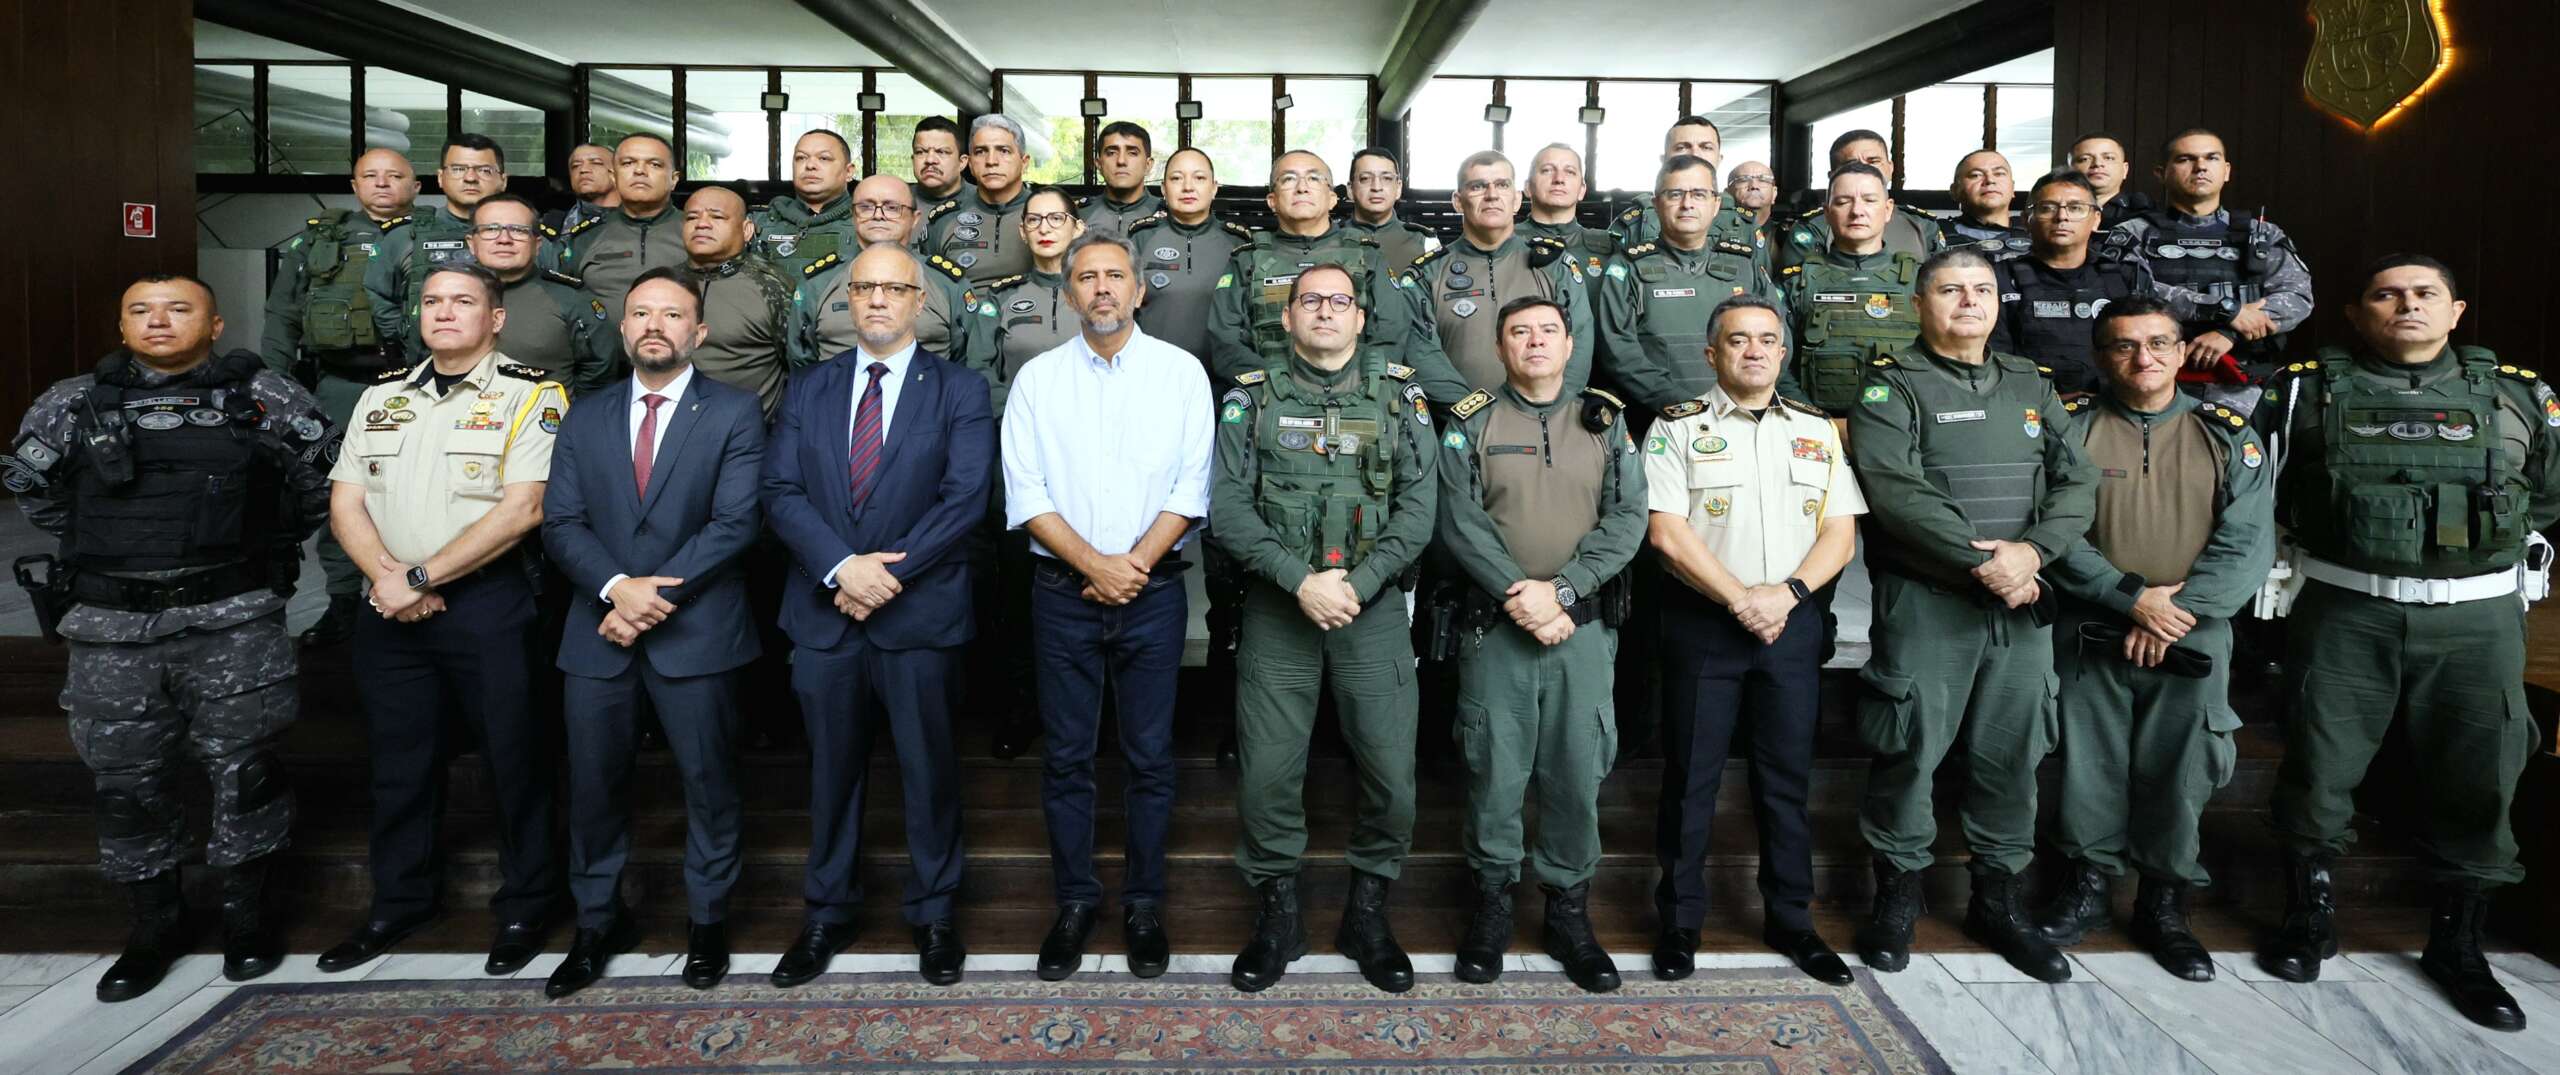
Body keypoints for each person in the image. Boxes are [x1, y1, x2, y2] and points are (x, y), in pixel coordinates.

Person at [7, 274, 334, 1000]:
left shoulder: (266, 397)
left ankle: (247, 919)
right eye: (141, 311)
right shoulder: (71, 403)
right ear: (122, 325)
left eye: (178, 308)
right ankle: (155, 924)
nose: (159, 321)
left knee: (248, 773)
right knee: (125, 784)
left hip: (232, 618)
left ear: (215, 325)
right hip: (112, 630)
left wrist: (252, 539)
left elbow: (320, 485)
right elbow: (37, 493)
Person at [2255, 255, 2560, 1031]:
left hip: (2476, 620)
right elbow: (2264, 493)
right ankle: (2307, 916)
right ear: (2357, 314)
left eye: (2426, 294)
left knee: (2482, 776)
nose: (2407, 305)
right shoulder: (2302, 392)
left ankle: (2458, 944)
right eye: (2386, 295)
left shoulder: (2521, 395)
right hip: (2346, 609)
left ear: (2456, 310)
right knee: (2319, 764)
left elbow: (2546, 499)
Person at [1847, 247, 2097, 983]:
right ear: (1918, 304)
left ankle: (1999, 902)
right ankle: (1897, 896)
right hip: (1930, 603)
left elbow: (2078, 482)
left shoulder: (2029, 383)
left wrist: (2033, 554)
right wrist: (1990, 564)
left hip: (2021, 606)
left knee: (2012, 754)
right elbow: (1898, 493)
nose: (1968, 302)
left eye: (1982, 289)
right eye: (1951, 290)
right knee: (1910, 751)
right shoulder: (1890, 386)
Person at [317, 264, 571, 977]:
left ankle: (527, 903)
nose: (445, 312)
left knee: (515, 760)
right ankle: (401, 901)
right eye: (433, 301)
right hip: (388, 606)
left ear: (496, 319)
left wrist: (421, 578)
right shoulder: (382, 396)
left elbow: (524, 508)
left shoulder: (532, 394)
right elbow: (345, 503)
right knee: (399, 763)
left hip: (488, 604)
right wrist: (390, 581)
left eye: (463, 301)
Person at [762, 244, 994, 988]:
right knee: (830, 773)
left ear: (921, 301)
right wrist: (843, 567)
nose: (878, 300)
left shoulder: (959, 389)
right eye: (864, 288)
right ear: (847, 300)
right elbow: (780, 490)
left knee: (929, 770)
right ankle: (828, 910)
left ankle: (934, 912)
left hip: (919, 614)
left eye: (894, 288)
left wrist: (883, 575)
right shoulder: (810, 387)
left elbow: (965, 498)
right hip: (824, 614)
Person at [538, 268, 766, 998]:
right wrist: (615, 588)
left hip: (697, 633)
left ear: (699, 332)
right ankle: (596, 924)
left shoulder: (734, 412)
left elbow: (735, 523)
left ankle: (707, 924)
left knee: (710, 785)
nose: (654, 325)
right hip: (596, 631)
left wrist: (645, 598)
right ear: (622, 327)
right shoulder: (585, 415)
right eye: (641, 313)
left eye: (672, 314)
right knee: (593, 788)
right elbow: (561, 522)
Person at [2031, 297, 2272, 982]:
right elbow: (2051, 529)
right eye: (2125, 345)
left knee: (2185, 764)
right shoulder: (2070, 428)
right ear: (2101, 355)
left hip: (2194, 633)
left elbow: (2248, 540)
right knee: (2090, 761)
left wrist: (2173, 612)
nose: (2144, 358)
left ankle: (2165, 903)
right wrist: (2130, 599)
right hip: (2092, 626)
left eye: (2159, 343)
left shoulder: (2227, 433)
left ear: (2181, 350)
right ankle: (2087, 886)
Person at [1213, 263, 1437, 995]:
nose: (1325, 312)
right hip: (1280, 611)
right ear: (1287, 317)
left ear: (1361, 319)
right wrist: (1299, 580)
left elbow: (1419, 509)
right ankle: (1278, 917)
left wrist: (1358, 586)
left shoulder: (1400, 396)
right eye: (1309, 300)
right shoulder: (1250, 399)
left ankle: (1367, 916)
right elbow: (1228, 508)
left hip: (1372, 616)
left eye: (1341, 301)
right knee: (1266, 777)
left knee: (1392, 778)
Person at [1003, 232, 1212, 981]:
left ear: (1139, 289)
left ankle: (1144, 905)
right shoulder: (1037, 380)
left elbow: (1192, 486)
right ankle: (1074, 902)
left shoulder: (1181, 374)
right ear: (1068, 294)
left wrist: (1132, 568)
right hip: (1063, 594)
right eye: (1086, 277)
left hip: (1153, 594)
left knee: (1149, 757)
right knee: (1067, 758)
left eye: (1114, 276)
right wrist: (1096, 566)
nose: (1101, 288)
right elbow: (1026, 492)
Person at [1643, 295, 1862, 986]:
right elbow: (1666, 533)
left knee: (1786, 780)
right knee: (1691, 780)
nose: (1755, 350)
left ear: (1783, 352)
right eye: (1738, 340)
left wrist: (1787, 595)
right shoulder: (1676, 427)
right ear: (1712, 354)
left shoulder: (1816, 429)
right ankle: (1680, 921)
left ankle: (1792, 919)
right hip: (1705, 625)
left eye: (1767, 339)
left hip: (1791, 626)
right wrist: (1742, 599)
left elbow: (1841, 532)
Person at [1435, 297, 1644, 994]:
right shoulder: (1471, 422)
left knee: (1577, 771)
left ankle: (1568, 913)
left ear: (1569, 344)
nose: (1534, 342)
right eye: (1519, 332)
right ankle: (1492, 907)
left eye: (1548, 331)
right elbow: (1460, 521)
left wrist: (1565, 591)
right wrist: (1520, 595)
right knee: (1495, 772)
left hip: (1582, 629)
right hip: (1497, 629)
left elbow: (1628, 518)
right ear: (1499, 348)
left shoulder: (1606, 422)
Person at [262, 146, 416, 648]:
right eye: (370, 175)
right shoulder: (319, 240)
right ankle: (344, 600)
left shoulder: (436, 236)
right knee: (341, 491)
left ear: (416, 186)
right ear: (354, 186)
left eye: (394, 175)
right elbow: (283, 314)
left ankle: (417, 587)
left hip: (419, 385)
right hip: (343, 384)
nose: (382, 184)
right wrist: (273, 386)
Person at [1208, 149, 1459, 402]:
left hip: (1357, 399)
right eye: (1289, 179)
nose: (1302, 188)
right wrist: (1278, 383)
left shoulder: (1367, 255)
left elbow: (1390, 333)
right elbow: (1226, 343)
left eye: (1314, 178)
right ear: (1272, 200)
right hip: (1269, 400)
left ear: (1332, 199)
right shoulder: (1247, 259)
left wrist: (1350, 385)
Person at [2103, 129, 2313, 388]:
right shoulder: (2133, 232)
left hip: (2242, 379)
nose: (2200, 167)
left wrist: (2229, 332)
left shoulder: (2261, 234)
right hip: (2153, 377)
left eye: (2211, 158)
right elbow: (2131, 292)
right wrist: (2225, 310)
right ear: (2161, 173)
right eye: (2185, 159)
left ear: (2226, 171)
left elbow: (2297, 297)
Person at [1400, 150, 1593, 396]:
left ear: (1516, 199)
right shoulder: (1426, 274)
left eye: (1502, 185)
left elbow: (1578, 343)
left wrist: (1553, 407)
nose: (1491, 195)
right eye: (1478, 186)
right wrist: (1470, 413)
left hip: (1545, 416)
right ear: (1458, 201)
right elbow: (1421, 352)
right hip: (1454, 417)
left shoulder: (1555, 266)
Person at [1595, 154, 1777, 415]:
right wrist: (1684, 407)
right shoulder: (1626, 268)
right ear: (1656, 204)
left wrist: (1744, 402)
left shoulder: (1745, 267)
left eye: (1699, 194)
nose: (1687, 204)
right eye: (1675, 194)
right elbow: (1619, 352)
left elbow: (1778, 340)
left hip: (1742, 415)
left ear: (1716, 204)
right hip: (1656, 419)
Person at [791, 174, 981, 372]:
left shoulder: (946, 283)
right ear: (853, 216)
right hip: (834, 389)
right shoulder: (819, 282)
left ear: (915, 218)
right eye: (866, 207)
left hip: (930, 390)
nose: (878, 215)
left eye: (892, 207)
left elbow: (969, 361)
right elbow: (801, 363)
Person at [1777, 163, 1925, 415]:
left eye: (1869, 200)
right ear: (1826, 212)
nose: (1857, 211)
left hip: (1910, 424)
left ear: (1888, 209)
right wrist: (1817, 421)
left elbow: (1948, 356)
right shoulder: (1796, 283)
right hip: (1821, 425)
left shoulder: (1923, 281)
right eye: (1843, 201)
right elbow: (1777, 363)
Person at [1989, 171, 2151, 396]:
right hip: (2029, 404)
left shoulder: (2124, 276)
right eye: (2048, 208)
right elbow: (1993, 360)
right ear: (2026, 220)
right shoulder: (1999, 278)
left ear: (2096, 219)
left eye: (2075, 208)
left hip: (2112, 405)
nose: (2062, 217)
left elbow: (2146, 352)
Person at [365, 134, 507, 358]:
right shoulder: (403, 237)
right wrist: (408, 337)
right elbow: (378, 295)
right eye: (458, 169)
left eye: (484, 170)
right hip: (427, 362)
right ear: (441, 177)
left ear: (503, 180)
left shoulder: (525, 238)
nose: (470, 178)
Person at [469, 194, 608, 393]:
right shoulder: (443, 297)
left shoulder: (571, 298)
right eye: (491, 229)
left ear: (538, 244)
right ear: (471, 243)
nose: (504, 239)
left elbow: (598, 374)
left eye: (518, 230)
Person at [1129, 147, 1256, 362]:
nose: (1188, 187)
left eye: (1199, 178)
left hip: (1223, 373)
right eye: (1177, 178)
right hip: (1154, 369)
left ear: (1214, 188)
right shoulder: (1141, 238)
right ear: (1163, 188)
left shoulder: (1238, 242)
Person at [678, 185, 794, 415]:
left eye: (717, 217)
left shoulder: (773, 286)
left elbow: (799, 366)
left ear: (747, 229)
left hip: (754, 430)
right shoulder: (664, 284)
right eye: (692, 217)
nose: (702, 224)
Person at [556, 134, 689, 327]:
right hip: (601, 346)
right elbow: (562, 304)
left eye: (654, 164)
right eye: (628, 163)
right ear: (613, 176)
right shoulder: (585, 236)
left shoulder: (697, 231)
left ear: (674, 179)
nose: (640, 171)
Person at [974, 187, 1089, 411]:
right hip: (1016, 419)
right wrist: (1011, 415)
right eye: (1034, 220)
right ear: (1023, 231)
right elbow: (979, 366)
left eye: (1056, 218)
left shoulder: (1098, 294)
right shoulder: (1000, 296)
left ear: (1077, 228)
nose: (1044, 228)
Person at [1770, 130, 1942, 273]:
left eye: (1873, 161)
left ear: (1890, 168)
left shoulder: (1921, 226)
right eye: (1851, 164)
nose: (1865, 169)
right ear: (1832, 175)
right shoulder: (1813, 227)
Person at [1606, 116, 1760, 265]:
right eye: (1681, 147)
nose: (1695, 154)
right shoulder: (1633, 224)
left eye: (1706, 147)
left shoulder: (1745, 225)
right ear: (1664, 160)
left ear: (1719, 159)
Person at [922, 114, 1036, 284]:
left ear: (1024, 162)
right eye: (980, 152)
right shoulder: (944, 220)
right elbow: (928, 288)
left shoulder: (1049, 217)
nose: (991, 161)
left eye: (1004, 151)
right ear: (970, 163)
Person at [750, 129, 860, 281]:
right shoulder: (757, 222)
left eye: (824, 158)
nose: (810, 165)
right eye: (801, 158)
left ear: (848, 172)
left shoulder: (868, 221)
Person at [1520, 143, 1616, 287]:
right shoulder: (1505, 243)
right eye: (1547, 170)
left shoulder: (1611, 247)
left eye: (1570, 172)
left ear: (1582, 190)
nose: (1559, 179)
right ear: (1527, 187)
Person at [1343, 147, 1439, 269]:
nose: (1376, 187)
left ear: (1398, 188)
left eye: (1387, 178)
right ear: (1350, 189)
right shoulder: (1330, 239)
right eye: (1365, 178)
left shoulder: (1425, 242)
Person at [1079, 121, 1164, 235]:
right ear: (1099, 164)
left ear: (1148, 165)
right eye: (1111, 153)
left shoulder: (1169, 216)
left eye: (1132, 153)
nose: (1121, 161)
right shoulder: (1078, 215)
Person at [1941, 149, 2029, 257]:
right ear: (1955, 191)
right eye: (1976, 175)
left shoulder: (2036, 233)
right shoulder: (1932, 235)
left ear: (2013, 188)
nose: (1990, 180)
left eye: (1999, 173)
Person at [2067, 133, 2150, 231]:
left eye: (2109, 158)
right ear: (2070, 170)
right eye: (2085, 159)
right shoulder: (2058, 212)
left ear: (2125, 170)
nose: (2098, 164)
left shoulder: (2143, 213)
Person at [544, 142, 620, 234]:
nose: (583, 170)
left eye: (596, 163)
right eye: (575, 166)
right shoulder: (552, 226)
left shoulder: (634, 218)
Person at [909, 115, 966, 208]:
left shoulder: (984, 201)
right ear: (913, 160)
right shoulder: (896, 200)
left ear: (962, 162)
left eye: (942, 152)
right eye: (920, 152)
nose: (930, 160)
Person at [1725, 160, 1779, 229]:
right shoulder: (1713, 230)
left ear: (1774, 193)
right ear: (1728, 192)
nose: (1754, 186)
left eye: (1763, 180)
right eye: (1744, 180)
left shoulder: (1788, 233)